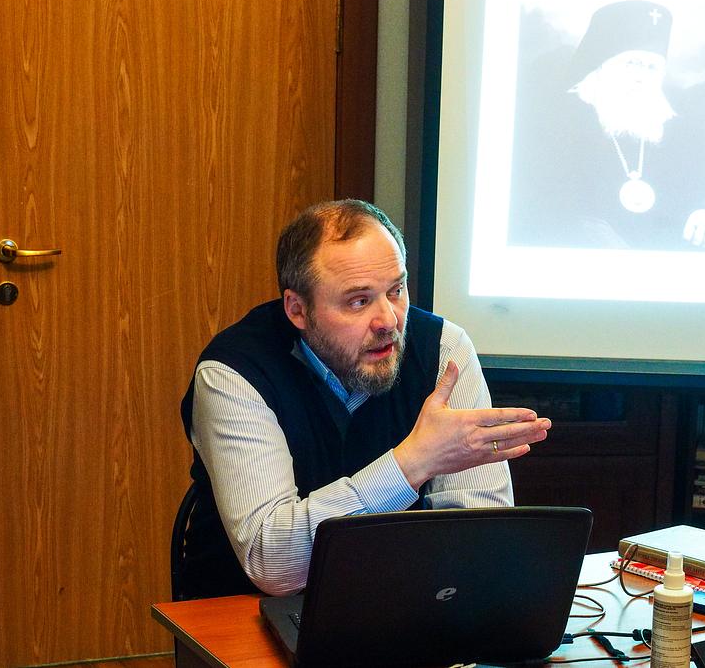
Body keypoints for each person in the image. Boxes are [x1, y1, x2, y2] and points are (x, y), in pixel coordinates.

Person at [179, 199, 550, 598]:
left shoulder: (444, 351)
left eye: (396, 290)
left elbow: (481, 541)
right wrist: (413, 462)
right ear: (298, 309)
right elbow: (273, 564)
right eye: (359, 301)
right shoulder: (235, 372)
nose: (388, 320)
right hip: (244, 611)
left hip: (403, 604)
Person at [507, 0, 705, 251]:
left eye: (652, 68)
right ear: (600, 66)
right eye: (632, 63)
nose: (642, 77)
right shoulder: (557, 120)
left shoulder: (677, 128)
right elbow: (546, 205)